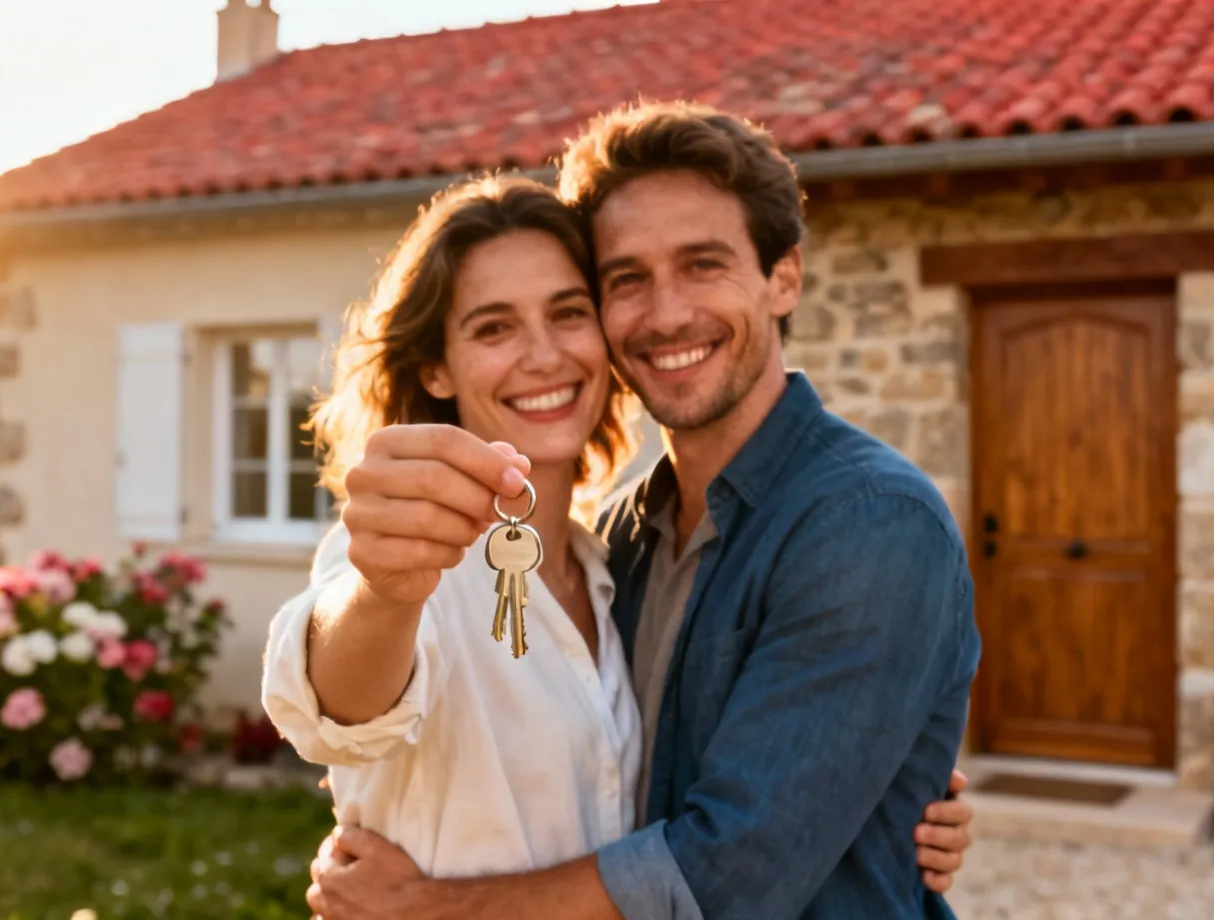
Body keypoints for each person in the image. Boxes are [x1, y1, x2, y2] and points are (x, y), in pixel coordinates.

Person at [298, 101, 982, 920]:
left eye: (703, 264)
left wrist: (428, 908)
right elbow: (342, 701)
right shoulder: (617, 539)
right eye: (627, 280)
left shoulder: (870, 523)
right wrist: (380, 592)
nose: (665, 315)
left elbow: (730, 873)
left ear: (783, 277)